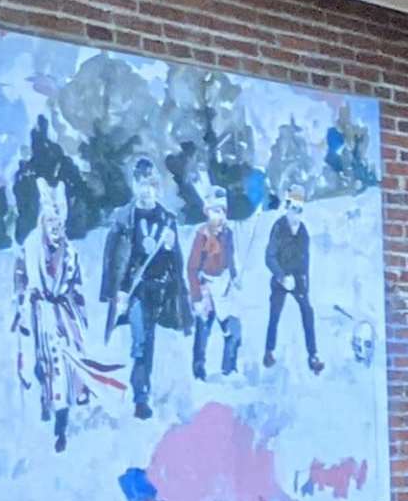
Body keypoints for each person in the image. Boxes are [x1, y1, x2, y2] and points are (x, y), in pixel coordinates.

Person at [92, 159, 189, 421]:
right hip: (134, 291)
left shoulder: (166, 220)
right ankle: (140, 398)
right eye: (142, 184)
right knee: (140, 341)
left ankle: (144, 387)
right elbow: (112, 259)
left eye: (151, 184)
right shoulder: (124, 218)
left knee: (150, 343)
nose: (147, 190)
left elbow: (176, 263)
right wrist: (116, 292)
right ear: (134, 185)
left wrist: (169, 248)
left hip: (160, 290)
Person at [13, 189, 88, 450]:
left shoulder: (70, 252)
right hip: (36, 314)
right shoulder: (30, 248)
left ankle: (61, 423)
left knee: (62, 366)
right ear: (42, 222)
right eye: (50, 222)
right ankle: (43, 407)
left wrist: (80, 318)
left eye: (59, 223)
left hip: (62, 315)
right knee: (39, 365)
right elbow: (19, 280)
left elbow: (76, 286)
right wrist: (23, 303)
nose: (55, 227)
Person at [261, 189, 318, 373]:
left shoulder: (303, 232)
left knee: (307, 312)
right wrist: (281, 276)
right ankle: (269, 351)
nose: (296, 214)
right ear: (287, 208)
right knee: (274, 314)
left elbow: (305, 260)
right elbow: (269, 257)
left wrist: (305, 283)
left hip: (298, 279)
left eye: (300, 210)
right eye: (294, 209)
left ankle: (313, 355)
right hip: (281, 278)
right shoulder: (279, 228)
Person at [185, 195, 240, 379]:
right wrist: (196, 297)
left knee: (233, 327)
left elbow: (230, 257)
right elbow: (192, 267)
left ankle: (229, 368)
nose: (219, 215)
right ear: (207, 213)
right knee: (203, 328)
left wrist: (234, 275)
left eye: (221, 211)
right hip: (205, 285)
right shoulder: (202, 236)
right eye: (215, 211)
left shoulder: (228, 233)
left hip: (223, 284)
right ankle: (199, 371)